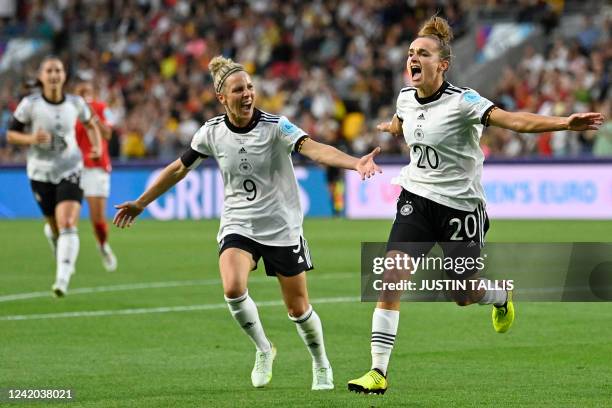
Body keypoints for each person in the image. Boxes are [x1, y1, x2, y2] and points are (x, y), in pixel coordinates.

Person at [348, 15, 604, 395]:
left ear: (443, 64)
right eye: (411, 53)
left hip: (461, 210)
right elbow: (403, 119)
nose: (413, 58)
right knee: (391, 277)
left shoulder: (464, 102)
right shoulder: (405, 96)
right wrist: (391, 128)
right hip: (416, 199)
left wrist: (565, 123)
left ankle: (501, 295)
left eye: (423, 53)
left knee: (463, 294)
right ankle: (377, 372)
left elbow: (513, 120)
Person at [113, 56, 382, 390]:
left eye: (250, 87)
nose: (247, 94)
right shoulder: (211, 132)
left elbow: (314, 149)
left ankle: (320, 362)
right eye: (238, 89)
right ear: (222, 98)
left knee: (298, 309)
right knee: (232, 287)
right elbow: (178, 169)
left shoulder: (275, 126)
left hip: (282, 226)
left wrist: (355, 163)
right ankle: (264, 348)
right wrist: (142, 202)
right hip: (238, 224)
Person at [7, 56, 103, 297]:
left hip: (70, 168)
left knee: (68, 223)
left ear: (64, 76)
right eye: (49, 70)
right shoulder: (30, 104)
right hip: (40, 172)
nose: (53, 75)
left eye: (58, 70)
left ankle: (62, 279)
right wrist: (31, 139)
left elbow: (91, 124)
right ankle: (55, 240)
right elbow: (11, 134)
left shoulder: (76, 103)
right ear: (41, 76)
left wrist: (97, 146)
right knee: (55, 227)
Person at [74, 77, 117, 271]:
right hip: (73, 168)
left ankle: (102, 245)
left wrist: (94, 118)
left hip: (97, 167)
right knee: (68, 219)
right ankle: (66, 259)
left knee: (97, 219)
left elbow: (108, 134)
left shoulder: (100, 107)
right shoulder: (69, 112)